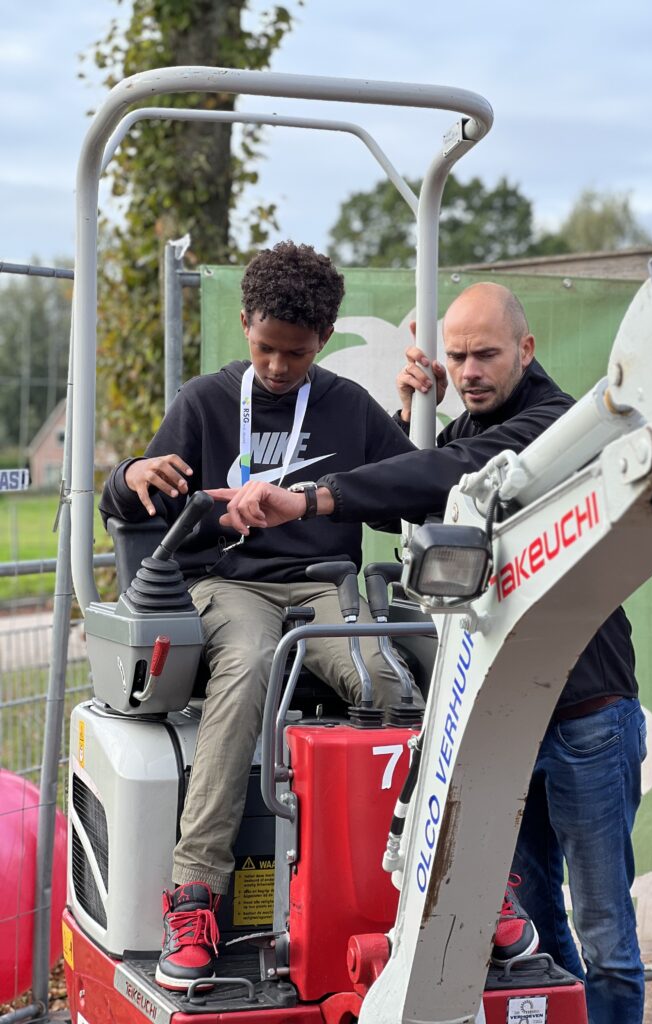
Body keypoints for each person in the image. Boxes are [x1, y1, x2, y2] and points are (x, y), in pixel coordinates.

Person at [208, 282, 647, 1024]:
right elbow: (406, 494)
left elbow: (443, 477)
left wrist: (312, 499)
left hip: (584, 715)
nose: (469, 369)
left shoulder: (555, 425)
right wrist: (411, 416)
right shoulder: (466, 430)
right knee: (538, 924)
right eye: (457, 355)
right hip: (510, 721)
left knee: (605, 935)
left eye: (485, 354)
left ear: (527, 350)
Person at [100, 241, 421, 992]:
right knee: (247, 667)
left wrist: (413, 413)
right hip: (230, 584)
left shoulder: (347, 405)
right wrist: (129, 474)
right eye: (267, 349)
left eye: (297, 355)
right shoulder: (204, 403)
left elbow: (412, 483)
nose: (279, 367)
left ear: (325, 340)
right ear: (245, 324)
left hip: (323, 585)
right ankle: (196, 895)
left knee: (390, 684)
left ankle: (418, 877)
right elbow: (137, 501)